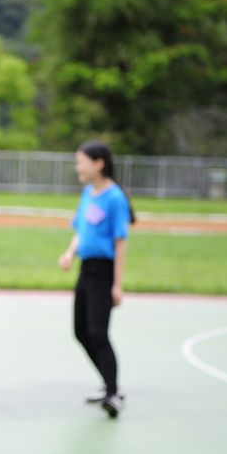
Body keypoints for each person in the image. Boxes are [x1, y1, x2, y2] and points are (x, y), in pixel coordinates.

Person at [59, 140, 135, 418]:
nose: (78, 167)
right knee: (81, 331)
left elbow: (120, 242)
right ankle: (108, 383)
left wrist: (117, 284)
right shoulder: (88, 194)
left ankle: (113, 393)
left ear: (99, 163)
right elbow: (81, 230)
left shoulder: (115, 198)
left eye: (81, 162)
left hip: (104, 271)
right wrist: (70, 253)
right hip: (86, 269)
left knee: (98, 333)